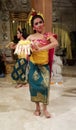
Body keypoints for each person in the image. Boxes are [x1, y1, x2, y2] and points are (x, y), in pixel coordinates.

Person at [26, 12, 58, 118]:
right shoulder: (30, 37)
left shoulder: (47, 35)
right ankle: (37, 108)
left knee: (45, 86)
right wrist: (26, 47)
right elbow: (25, 49)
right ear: (33, 27)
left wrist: (40, 48)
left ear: (43, 23)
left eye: (40, 22)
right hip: (33, 66)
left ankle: (45, 109)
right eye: (36, 23)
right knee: (34, 87)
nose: (39, 24)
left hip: (44, 66)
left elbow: (55, 43)